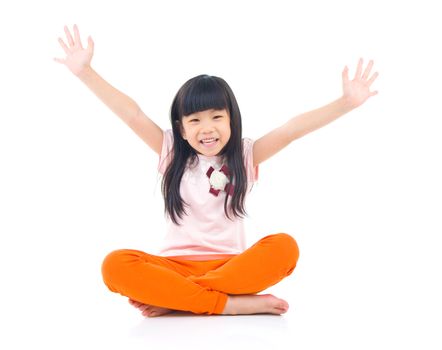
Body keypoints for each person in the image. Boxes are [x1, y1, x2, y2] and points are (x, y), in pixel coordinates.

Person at [54, 24, 379, 317]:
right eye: (194, 120)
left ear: (231, 121)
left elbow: (291, 130)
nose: (206, 129)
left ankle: (181, 299)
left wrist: (345, 103)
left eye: (215, 117)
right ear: (181, 129)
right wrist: (85, 73)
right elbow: (133, 115)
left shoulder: (245, 154)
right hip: (174, 268)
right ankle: (226, 303)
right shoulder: (170, 152)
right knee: (115, 265)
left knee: (285, 246)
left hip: (232, 267)